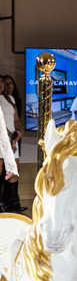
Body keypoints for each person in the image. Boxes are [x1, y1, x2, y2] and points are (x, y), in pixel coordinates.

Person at [0, 73, 25, 212]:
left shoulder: (10, 98)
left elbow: (15, 119)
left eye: (2, 82)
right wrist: (11, 134)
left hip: (12, 139)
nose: (1, 85)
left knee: (14, 169)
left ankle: (14, 203)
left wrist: (19, 131)